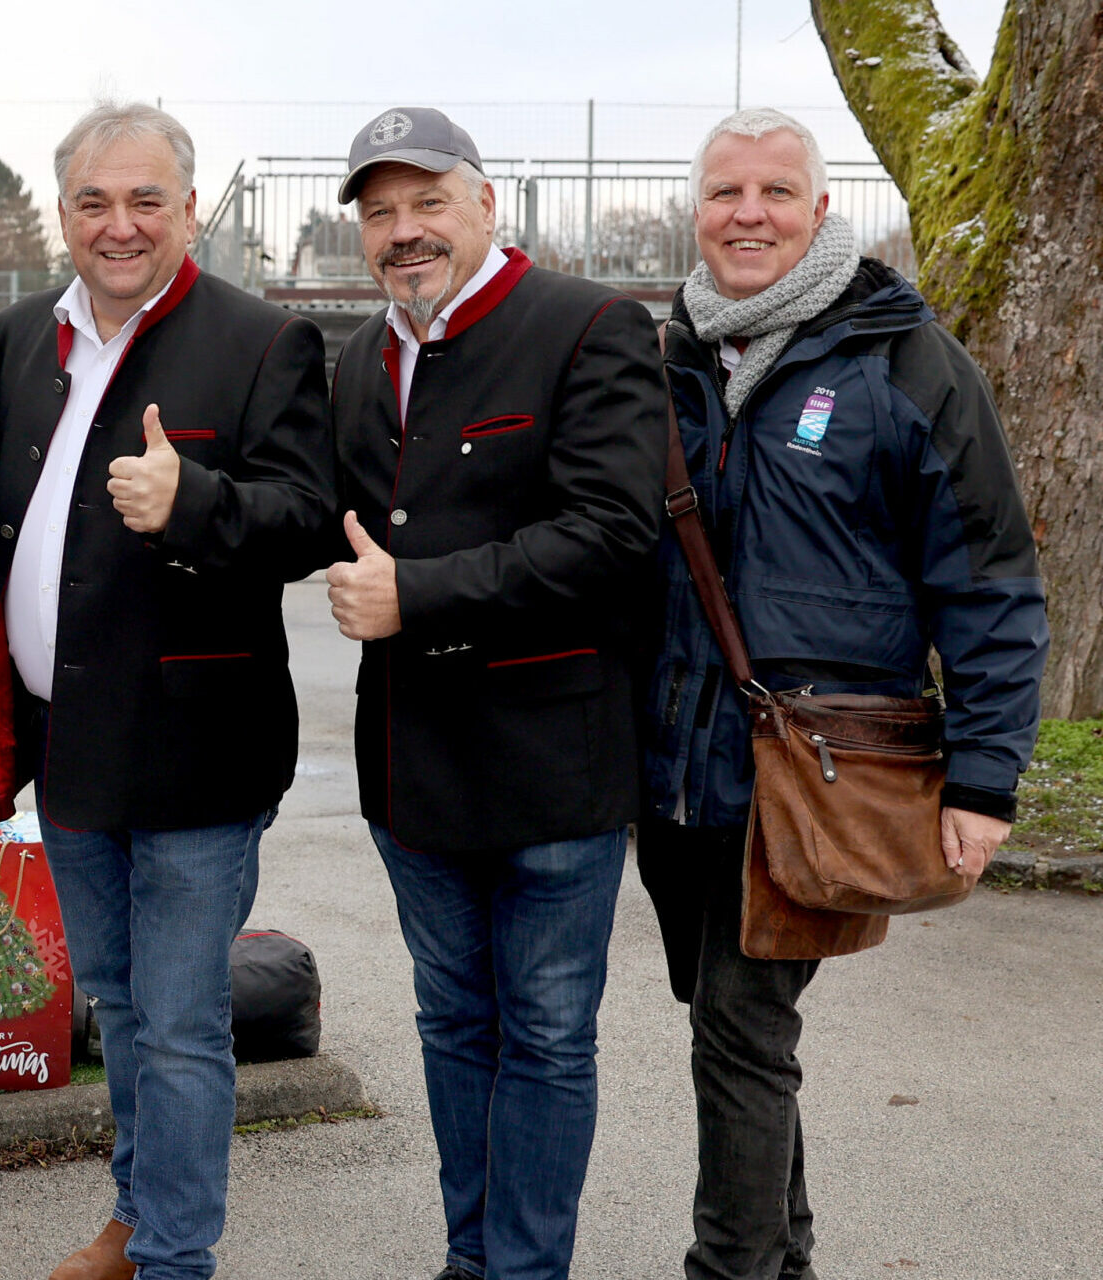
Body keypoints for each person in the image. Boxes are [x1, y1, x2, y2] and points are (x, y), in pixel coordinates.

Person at [636, 107, 1046, 1280]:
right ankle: (785, 1253)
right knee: (737, 1030)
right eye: (725, 193)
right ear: (697, 212)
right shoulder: (667, 360)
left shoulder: (906, 361)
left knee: (740, 1026)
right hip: (679, 764)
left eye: (775, 191)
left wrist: (983, 776)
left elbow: (990, 585)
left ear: (823, 210)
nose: (748, 213)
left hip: (816, 769)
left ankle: (733, 1267)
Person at [0, 102, 332, 1280]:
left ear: (189, 206)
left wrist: (197, 502)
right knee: (118, 1007)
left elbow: (308, 518)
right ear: (61, 210)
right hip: (64, 742)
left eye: (146, 200)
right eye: (93, 201)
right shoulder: (15, 335)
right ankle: (135, 1217)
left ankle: (175, 1256)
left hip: (194, 749)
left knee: (177, 1023)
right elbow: (1, 506)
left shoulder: (264, 339)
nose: (119, 226)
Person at [324, 107, 663, 1280]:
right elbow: (312, 515)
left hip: (552, 764)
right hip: (412, 770)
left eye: (427, 203)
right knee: (453, 1026)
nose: (404, 232)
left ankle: (522, 1269)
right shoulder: (358, 359)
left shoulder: (589, 327)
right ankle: (472, 1259)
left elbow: (615, 534)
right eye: (380, 213)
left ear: (485, 205)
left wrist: (418, 596)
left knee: (549, 1037)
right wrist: (191, 505)